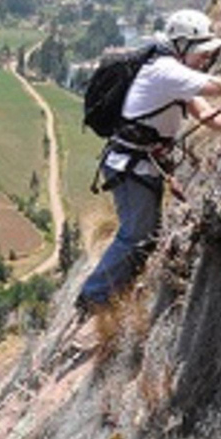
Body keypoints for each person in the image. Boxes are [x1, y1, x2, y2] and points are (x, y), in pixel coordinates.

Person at [76, 8, 221, 316]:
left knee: (144, 233)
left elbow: (205, 113)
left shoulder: (170, 74)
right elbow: (214, 87)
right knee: (135, 235)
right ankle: (94, 298)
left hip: (136, 164)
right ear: (181, 46)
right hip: (133, 167)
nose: (204, 59)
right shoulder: (165, 71)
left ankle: (116, 291)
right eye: (200, 53)